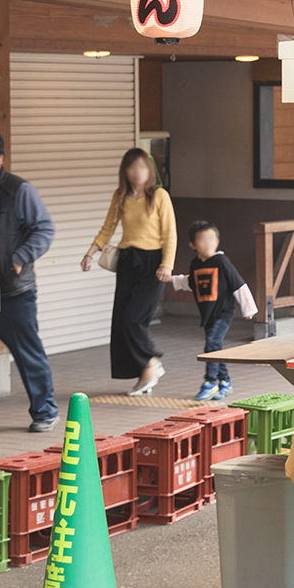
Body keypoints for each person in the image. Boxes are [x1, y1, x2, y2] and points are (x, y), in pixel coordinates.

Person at [0, 130, 59, 432]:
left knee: (28, 355)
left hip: (13, 292)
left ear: (0, 157)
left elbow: (45, 229)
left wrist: (20, 257)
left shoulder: (19, 190)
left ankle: (45, 411)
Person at [81, 148, 177, 395]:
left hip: (153, 264)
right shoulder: (120, 196)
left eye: (142, 167)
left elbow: (170, 233)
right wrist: (90, 253)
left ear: (149, 170)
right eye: (132, 167)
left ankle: (151, 361)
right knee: (121, 322)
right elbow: (107, 228)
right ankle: (145, 370)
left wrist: (167, 264)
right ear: (125, 171)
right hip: (127, 262)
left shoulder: (159, 196)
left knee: (133, 319)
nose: (137, 172)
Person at [171, 221, 248, 401]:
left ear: (218, 241)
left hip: (224, 312)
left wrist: (248, 308)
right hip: (207, 314)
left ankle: (210, 382)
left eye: (211, 239)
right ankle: (225, 382)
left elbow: (238, 284)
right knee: (215, 347)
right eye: (203, 240)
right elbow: (192, 283)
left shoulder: (222, 261)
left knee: (212, 344)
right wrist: (172, 280)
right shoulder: (195, 264)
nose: (208, 243)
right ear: (193, 245)